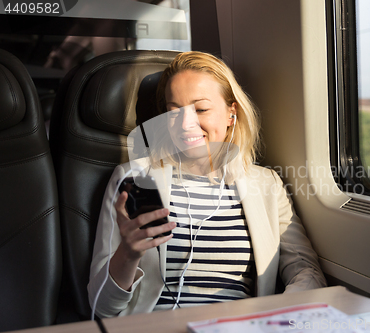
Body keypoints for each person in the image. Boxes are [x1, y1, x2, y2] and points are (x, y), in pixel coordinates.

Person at [88, 51, 326, 318]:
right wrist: (128, 255)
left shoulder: (266, 184)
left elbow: (306, 270)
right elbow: (101, 308)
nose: (185, 125)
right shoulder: (133, 179)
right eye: (173, 112)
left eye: (200, 109)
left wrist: (277, 317)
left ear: (230, 113)